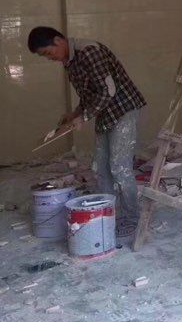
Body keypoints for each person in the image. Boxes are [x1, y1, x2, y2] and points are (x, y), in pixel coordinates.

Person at [28, 27, 146, 238]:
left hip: (123, 109)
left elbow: (107, 90)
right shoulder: (69, 62)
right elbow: (88, 94)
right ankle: (108, 213)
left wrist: (83, 118)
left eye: (48, 53)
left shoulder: (89, 51)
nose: (50, 58)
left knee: (119, 168)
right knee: (100, 167)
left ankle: (132, 218)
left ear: (58, 41)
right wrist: (75, 113)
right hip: (104, 113)